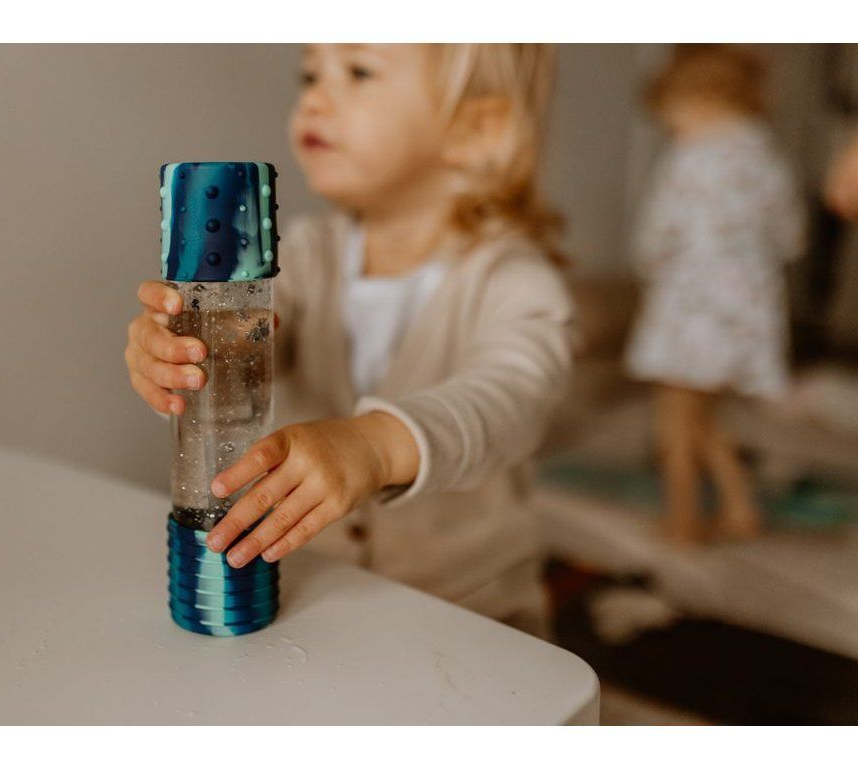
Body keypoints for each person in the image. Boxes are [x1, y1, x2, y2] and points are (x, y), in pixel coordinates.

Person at [125, 44, 574, 636]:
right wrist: (177, 359)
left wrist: (377, 447)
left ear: (474, 128)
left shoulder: (514, 282)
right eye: (310, 74)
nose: (313, 98)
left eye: (359, 71)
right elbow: (243, 355)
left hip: (473, 614)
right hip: (320, 594)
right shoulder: (306, 257)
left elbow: (512, 400)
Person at [625, 45, 805, 544]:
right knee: (703, 415)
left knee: (674, 419)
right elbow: (792, 237)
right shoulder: (766, 157)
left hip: (691, 309)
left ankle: (682, 518)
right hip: (743, 313)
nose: (670, 128)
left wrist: (649, 268)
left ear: (701, 101)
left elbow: (657, 235)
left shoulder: (689, 158)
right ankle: (741, 507)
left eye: (672, 118)